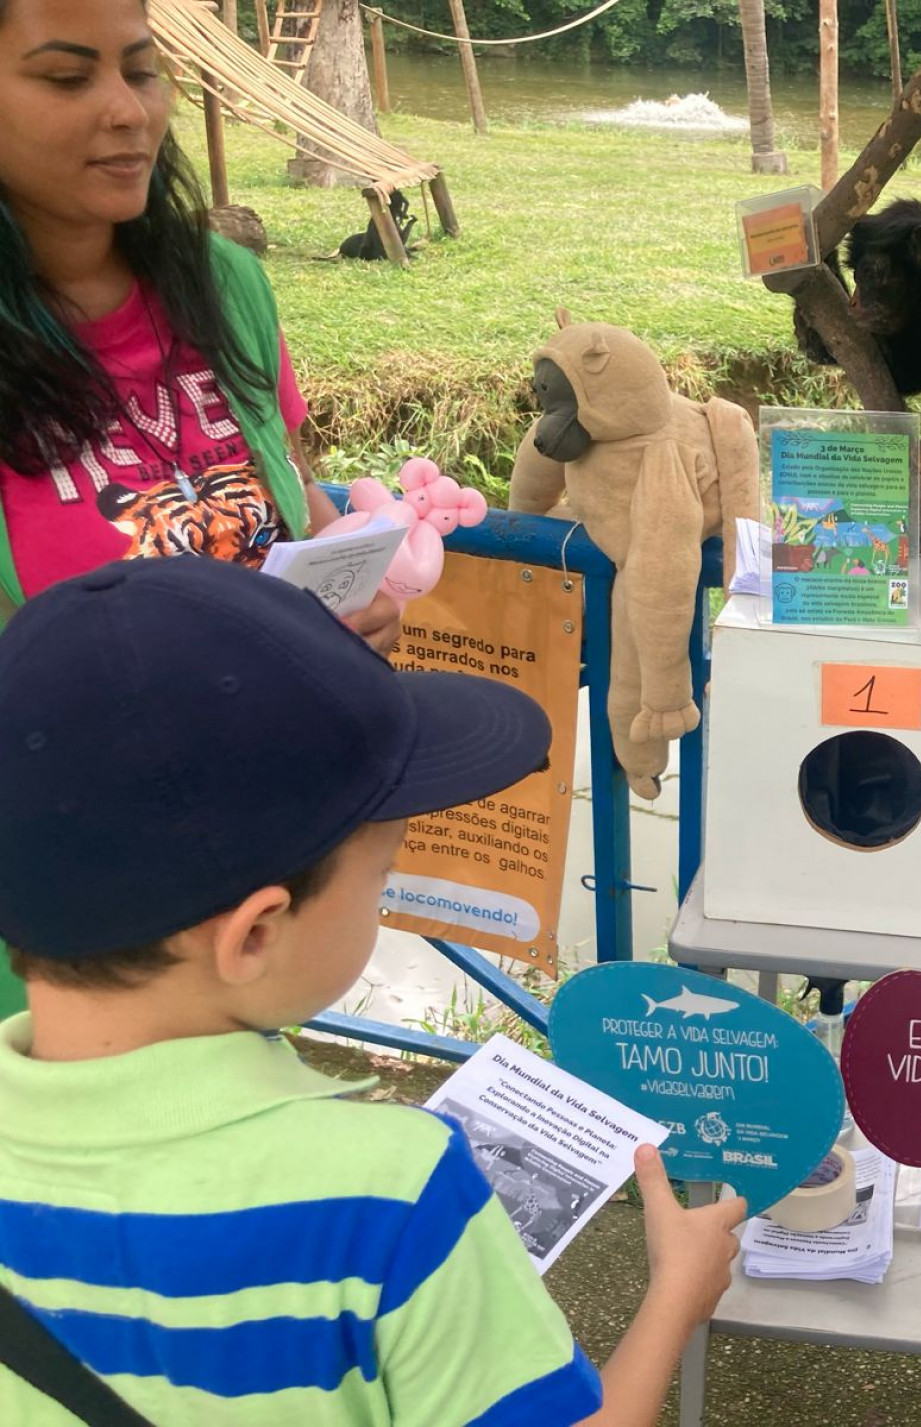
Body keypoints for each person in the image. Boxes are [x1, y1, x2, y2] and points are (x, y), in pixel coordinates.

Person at [0, 558, 747, 1425]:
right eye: (382, 874)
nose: (385, 897)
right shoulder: (387, 1195)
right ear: (255, 934)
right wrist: (676, 1295)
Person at [0, 0, 400, 651]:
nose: (129, 112)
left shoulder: (224, 283)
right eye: (67, 79)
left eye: (140, 71)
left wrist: (352, 601)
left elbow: (290, 487)